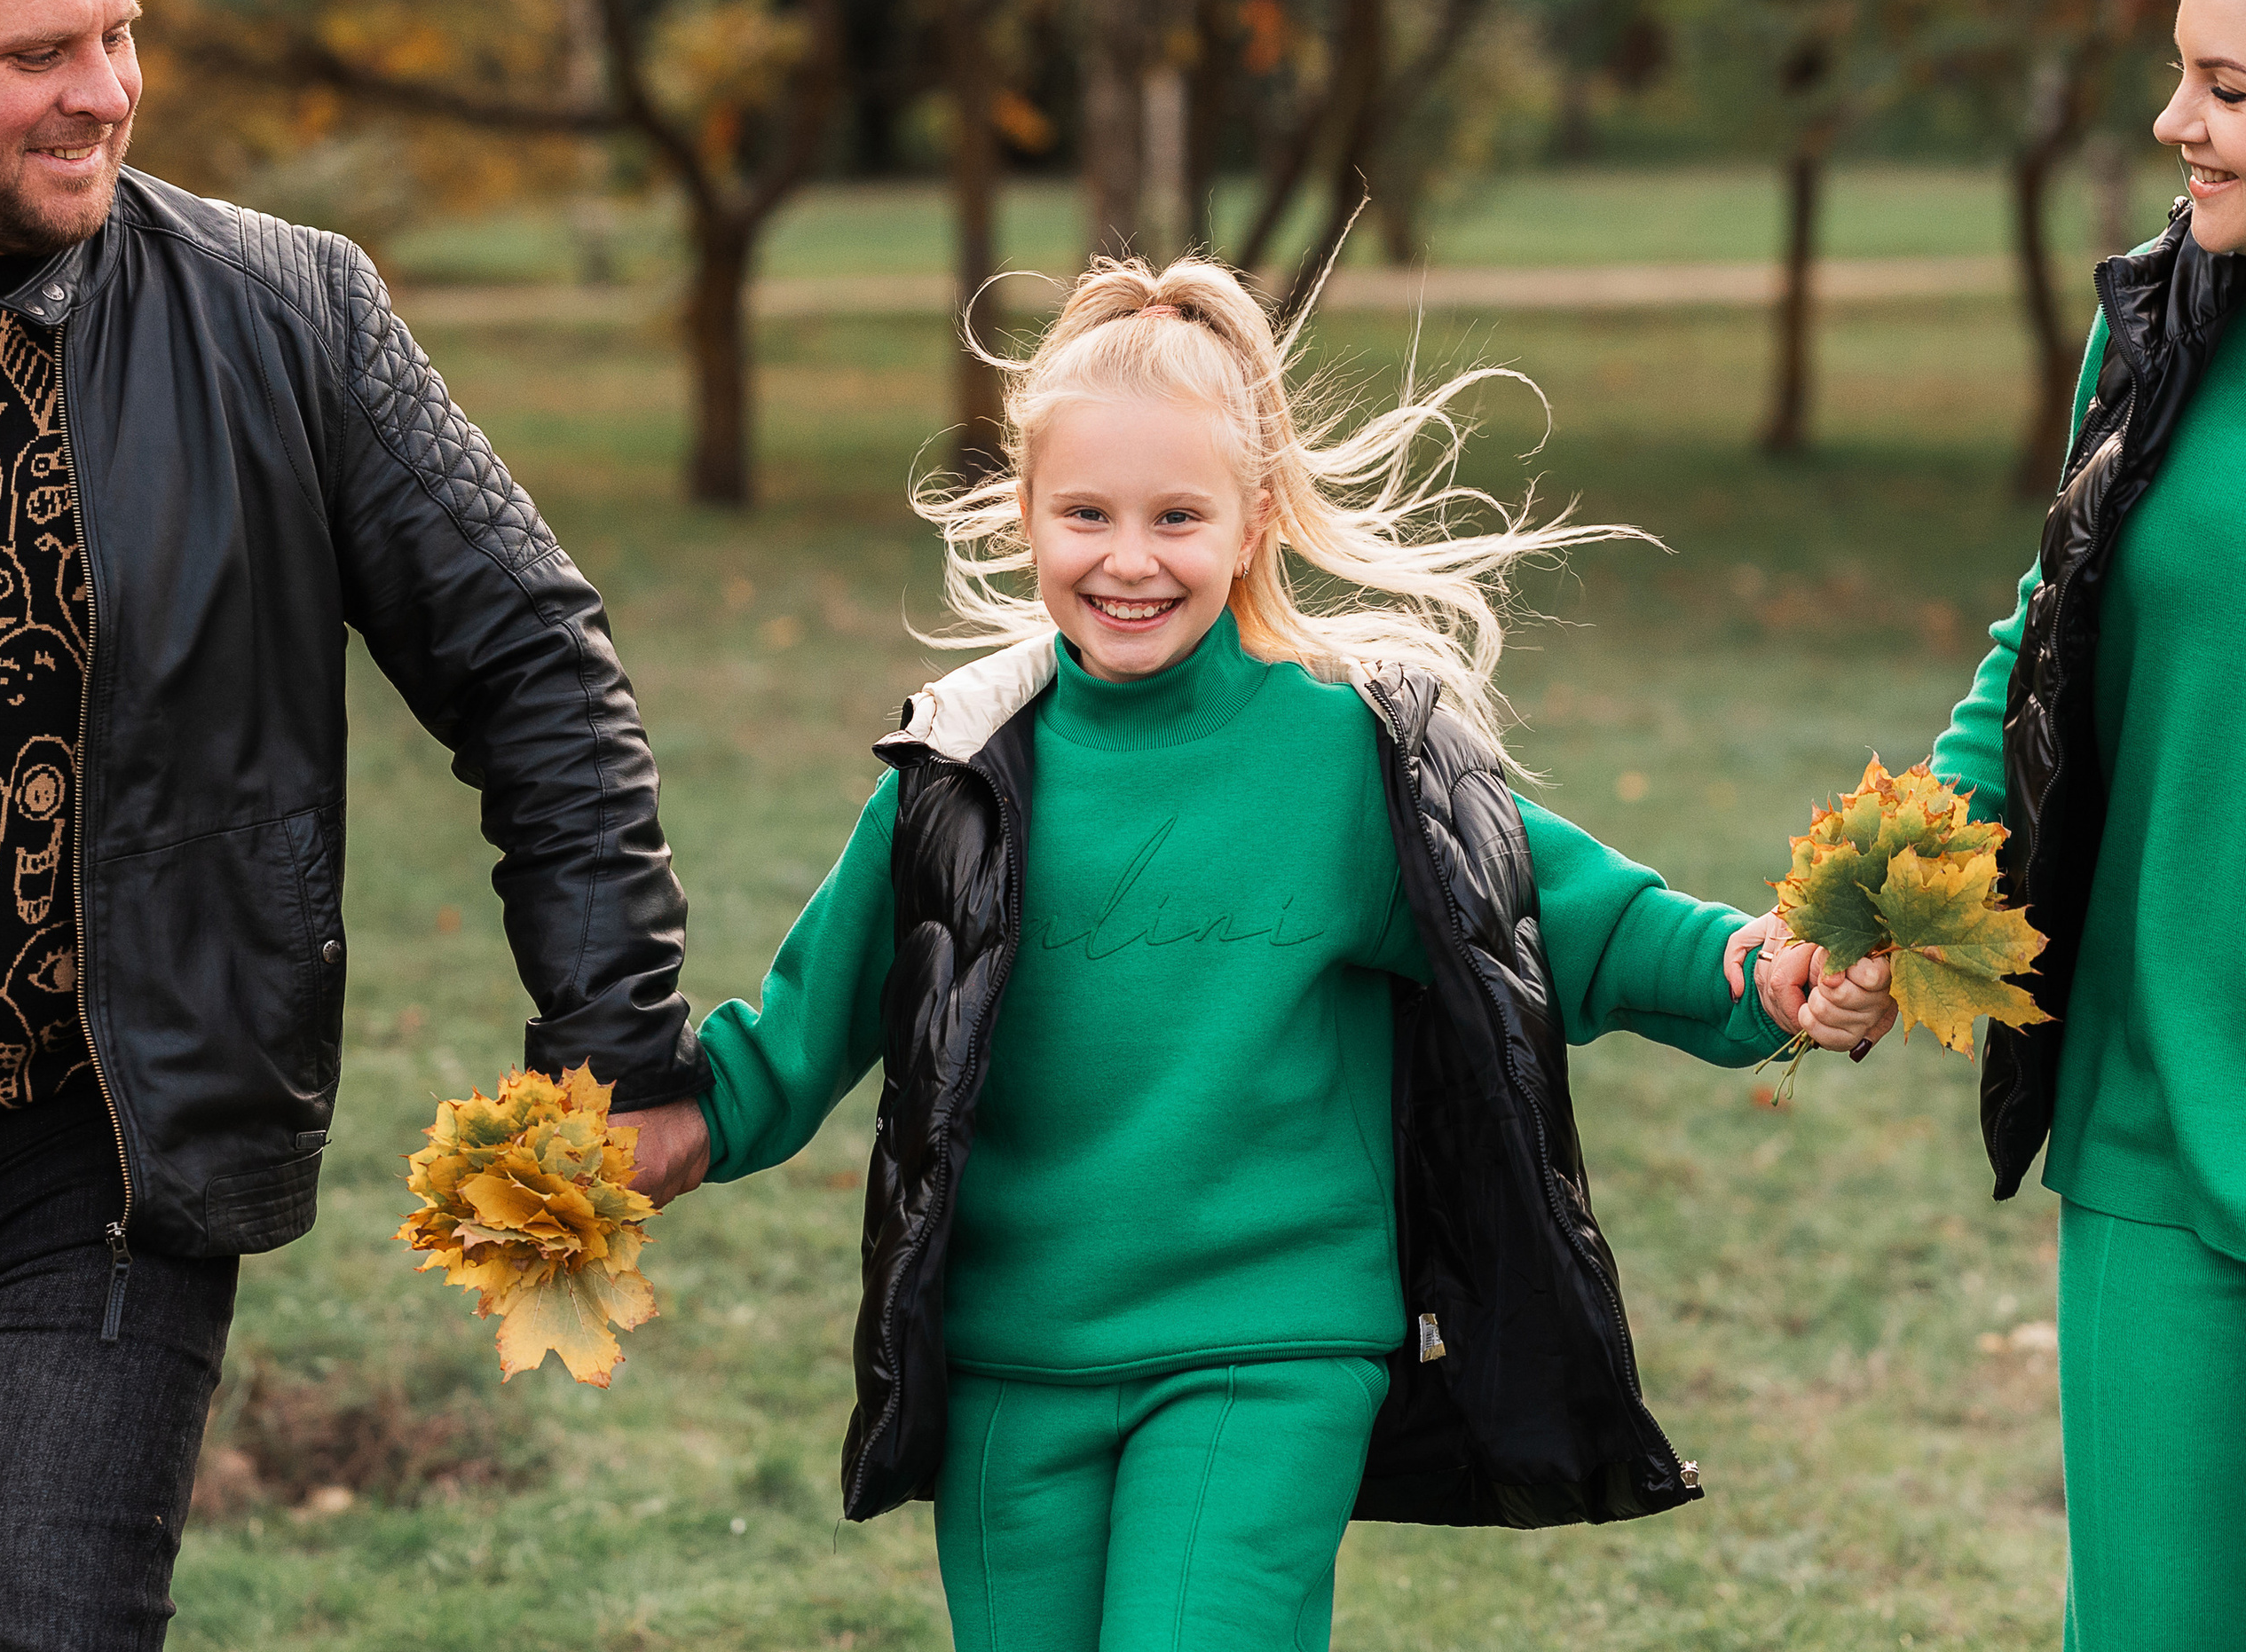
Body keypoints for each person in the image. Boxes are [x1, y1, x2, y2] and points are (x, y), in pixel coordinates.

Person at [690, 256, 1895, 1652]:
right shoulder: (951, 779)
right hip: (1008, 1359)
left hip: (1268, 1350)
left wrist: (1767, 974)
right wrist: (644, 1137)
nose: (1127, 558)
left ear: (1254, 521)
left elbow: (1584, 924)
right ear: (1025, 514)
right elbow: (790, 1043)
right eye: (1085, 513)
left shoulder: (1353, 760)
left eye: (1177, 517)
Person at [0, 0, 712, 1651]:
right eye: (37, 53)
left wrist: (611, 1049)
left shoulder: (287, 316)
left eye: (119, 31)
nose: (105, 88)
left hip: (101, 1155)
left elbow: (532, 662)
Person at [1906, 0, 2246, 1652]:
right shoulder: (2152, 344)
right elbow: (2036, 648)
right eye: (2181, 72)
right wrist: (1891, 885)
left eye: (2228, 87)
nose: (2170, 120)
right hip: (2157, 1130)